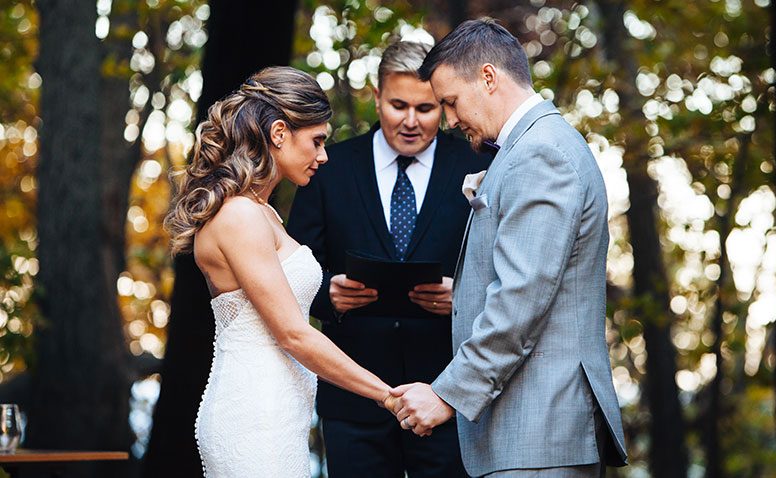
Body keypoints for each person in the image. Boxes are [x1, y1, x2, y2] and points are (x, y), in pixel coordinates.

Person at [388, 19, 629, 477]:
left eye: (450, 102)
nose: (451, 120)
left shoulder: (541, 154)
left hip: (540, 434)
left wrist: (446, 393)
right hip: (529, 435)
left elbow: (520, 300)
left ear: (488, 77)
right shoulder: (530, 148)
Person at [164, 66, 397, 477]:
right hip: (254, 418)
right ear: (277, 134)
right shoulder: (239, 216)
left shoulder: (263, 212)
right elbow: (292, 333)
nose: (324, 155)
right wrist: (387, 395)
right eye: (317, 140)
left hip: (278, 417)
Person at [287, 41, 490, 477]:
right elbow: (293, 262)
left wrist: (465, 297)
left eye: (427, 108)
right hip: (351, 394)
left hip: (448, 392)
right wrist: (328, 295)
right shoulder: (327, 167)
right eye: (399, 105)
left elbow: (504, 265)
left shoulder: (477, 164)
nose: (412, 121)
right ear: (375, 97)